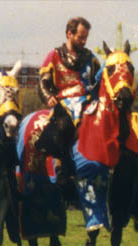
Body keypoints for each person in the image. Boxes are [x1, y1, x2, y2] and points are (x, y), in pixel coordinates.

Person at [36, 17, 101, 186]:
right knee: (62, 125)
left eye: (86, 37)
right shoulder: (54, 56)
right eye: (81, 37)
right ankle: (60, 165)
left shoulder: (91, 58)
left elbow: (98, 81)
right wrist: (48, 96)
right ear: (69, 34)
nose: (84, 41)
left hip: (87, 99)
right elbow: (43, 82)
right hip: (64, 101)